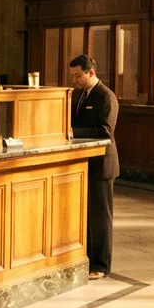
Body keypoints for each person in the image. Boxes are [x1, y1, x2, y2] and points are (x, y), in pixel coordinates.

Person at [68, 53, 119, 279]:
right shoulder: (80, 95)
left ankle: (101, 265)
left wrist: (73, 132)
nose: (74, 80)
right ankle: (88, 260)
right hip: (85, 163)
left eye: (78, 76)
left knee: (100, 218)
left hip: (102, 165)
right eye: (72, 76)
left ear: (91, 72)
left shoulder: (106, 97)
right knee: (87, 216)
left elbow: (105, 131)